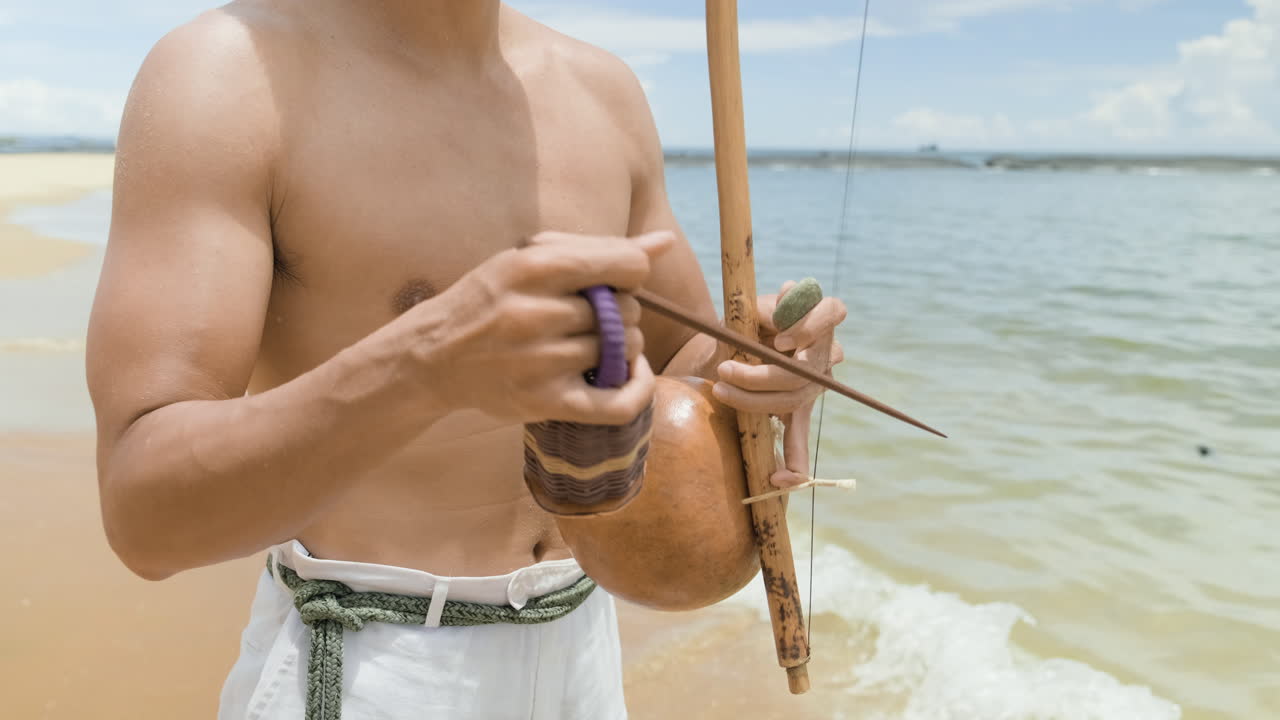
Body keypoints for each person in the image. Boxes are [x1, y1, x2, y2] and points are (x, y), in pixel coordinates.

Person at [86, 2, 847, 718]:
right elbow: (144, 517)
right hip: (373, 662)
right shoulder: (227, 75)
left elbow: (680, 361)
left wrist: (765, 368)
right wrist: (427, 364)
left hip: (581, 645)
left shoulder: (602, 88)